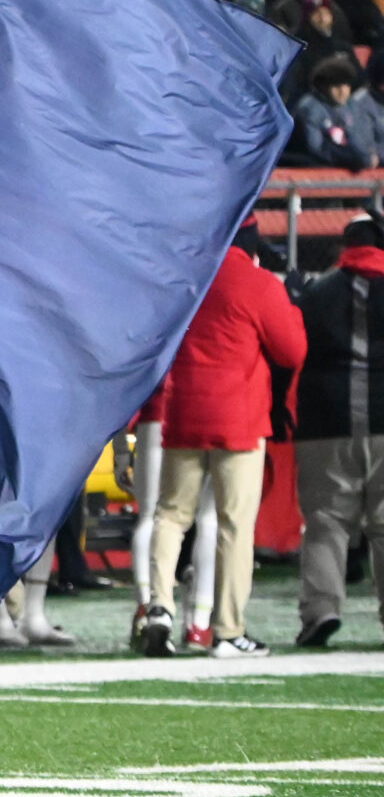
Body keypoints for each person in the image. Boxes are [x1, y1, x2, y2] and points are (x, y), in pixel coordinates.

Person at [141, 231, 307, 658]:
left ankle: (158, 606)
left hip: (182, 412)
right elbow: (291, 351)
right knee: (234, 525)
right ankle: (228, 631)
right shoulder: (257, 283)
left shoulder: (184, 278)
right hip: (239, 418)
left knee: (171, 516)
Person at [291, 212, 384, 648]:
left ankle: (321, 611)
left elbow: (289, 349)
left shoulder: (316, 293)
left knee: (326, 523)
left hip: (325, 421)